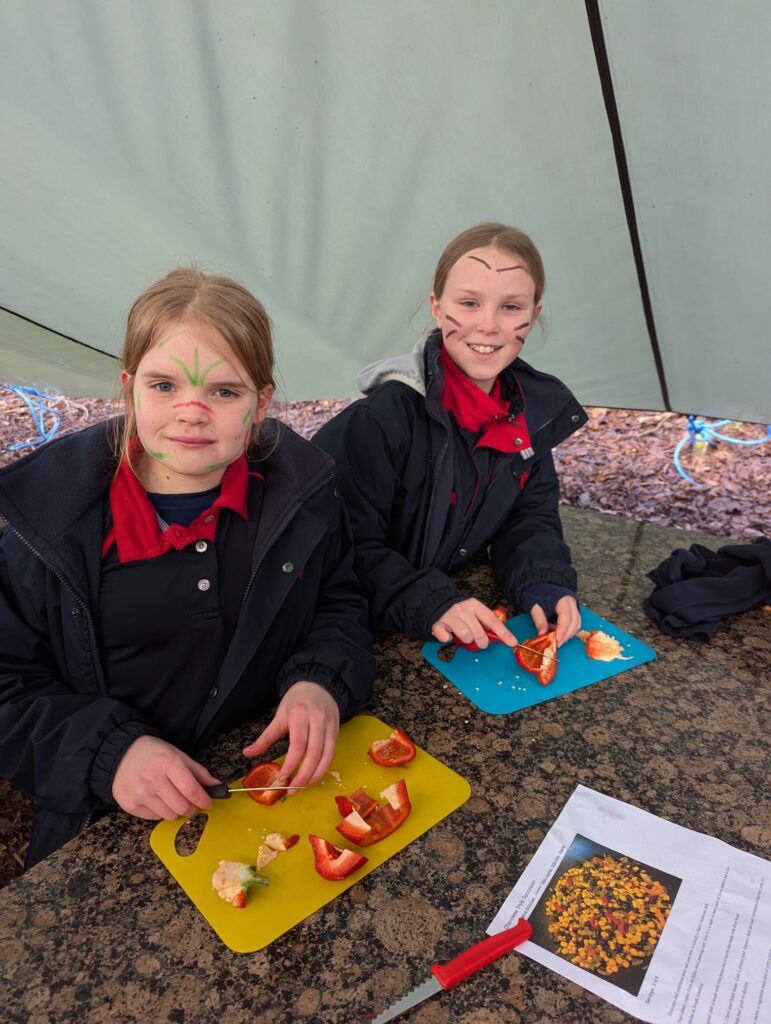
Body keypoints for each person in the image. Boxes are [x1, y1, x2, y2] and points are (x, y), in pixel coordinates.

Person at [0, 268, 374, 867]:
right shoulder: (48, 529)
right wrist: (108, 755)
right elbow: (7, 688)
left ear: (262, 403)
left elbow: (339, 600)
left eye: (224, 391)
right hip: (109, 819)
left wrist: (319, 678)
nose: (192, 411)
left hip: (267, 795)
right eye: (165, 385)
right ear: (129, 388)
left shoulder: (304, 502)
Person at [314, 223, 587, 653]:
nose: (489, 325)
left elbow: (528, 517)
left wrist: (543, 579)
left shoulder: (525, 420)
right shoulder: (380, 423)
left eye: (511, 307)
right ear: (437, 307)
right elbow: (337, 545)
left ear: (533, 316)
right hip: (347, 634)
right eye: (469, 302)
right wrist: (428, 599)